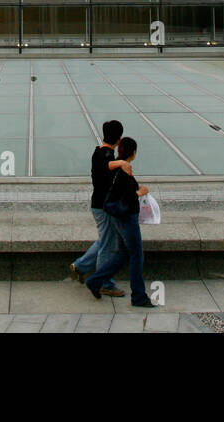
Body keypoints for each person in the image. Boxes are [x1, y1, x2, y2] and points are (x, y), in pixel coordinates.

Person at [86, 137, 154, 307]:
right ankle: (139, 296)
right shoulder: (124, 169)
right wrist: (140, 192)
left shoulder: (116, 165)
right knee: (137, 255)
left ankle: (95, 281)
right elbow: (124, 197)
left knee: (123, 254)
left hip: (116, 216)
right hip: (126, 217)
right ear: (134, 153)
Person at [68, 120, 128, 296]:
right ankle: (105, 283)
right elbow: (105, 166)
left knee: (105, 240)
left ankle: (79, 266)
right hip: (104, 207)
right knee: (108, 245)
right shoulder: (106, 156)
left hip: (98, 204)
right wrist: (121, 163)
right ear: (119, 138)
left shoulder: (99, 151)